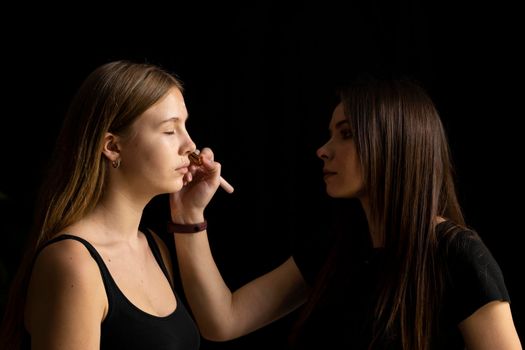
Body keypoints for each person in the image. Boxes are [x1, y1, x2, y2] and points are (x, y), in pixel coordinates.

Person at [169, 77, 522, 349]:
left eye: (347, 135)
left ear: (394, 144)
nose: (323, 150)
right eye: (330, 135)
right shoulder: (337, 249)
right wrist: (189, 214)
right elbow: (222, 321)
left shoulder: (457, 254)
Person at [0, 60, 226, 349]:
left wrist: (191, 212)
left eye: (185, 127)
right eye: (170, 131)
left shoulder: (153, 247)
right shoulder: (74, 264)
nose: (191, 146)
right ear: (112, 146)